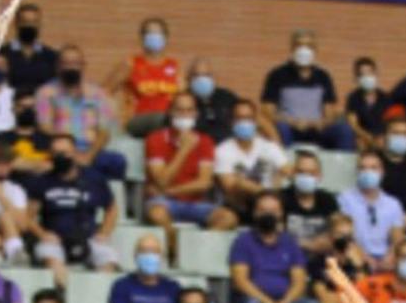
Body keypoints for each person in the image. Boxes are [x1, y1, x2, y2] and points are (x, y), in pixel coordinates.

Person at [144, 93, 236, 258]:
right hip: (164, 203)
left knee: (228, 218)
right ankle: (176, 251)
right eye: (180, 110)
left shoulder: (205, 141)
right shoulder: (155, 139)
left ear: (195, 114)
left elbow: (204, 183)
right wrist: (184, 149)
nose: (185, 115)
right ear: (171, 112)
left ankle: (195, 251)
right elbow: (162, 180)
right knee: (157, 214)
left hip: (195, 203)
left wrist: (168, 192)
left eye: (189, 110)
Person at [26, 133, 120, 287]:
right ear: (50, 155)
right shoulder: (41, 181)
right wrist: (42, 234)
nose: (61, 157)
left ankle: (97, 299)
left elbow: (111, 208)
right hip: (55, 239)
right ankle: (66, 295)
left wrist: (104, 232)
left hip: (88, 237)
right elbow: (28, 217)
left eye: (65, 152)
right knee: (51, 258)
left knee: (108, 258)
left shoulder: (94, 179)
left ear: (75, 152)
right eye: (56, 153)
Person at [227, 191, 322, 303]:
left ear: (281, 214)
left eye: (273, 211)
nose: (268, 214)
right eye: (263, 210)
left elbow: (299, 282)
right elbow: (240, 281)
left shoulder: (290, 243)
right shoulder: (243, 241)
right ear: (254, 213)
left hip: (286, 302)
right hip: (252, 299)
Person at [35, 44, 126, 181]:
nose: (71, 67)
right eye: (66, 63)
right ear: (58, 66)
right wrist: (69, 150)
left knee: (118, 162)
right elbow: (44, 126)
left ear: (83, 66)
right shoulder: (45, 93)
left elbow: (104, 130)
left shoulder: (98, 94)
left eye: (76, 63)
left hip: (91, 150)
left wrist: (89, 155)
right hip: (60, 151)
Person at [261, 29, 355, 150]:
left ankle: (343, 167)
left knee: (344, 130)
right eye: (299, 45)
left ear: (315, 50)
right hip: (290, 128)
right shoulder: (277, 75)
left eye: (309, 46)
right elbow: (267, 111)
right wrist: (292, 122)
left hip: (316, 129)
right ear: (292, 48)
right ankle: (285, 165)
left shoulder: (323, 76)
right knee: (281, 128)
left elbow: (330, 112)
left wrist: (322, 122)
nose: (304, 50)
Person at [214, 99, 290, 219]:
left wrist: (279, 178)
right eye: (240, 118)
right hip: (239, 205)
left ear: (255, 121)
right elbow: (229, 186)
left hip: (271, 205)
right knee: (240, 185)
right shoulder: (222, 150)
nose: (244, 122)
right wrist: (267, 193)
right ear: (232, 122)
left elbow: (289, 171)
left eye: (248, 118)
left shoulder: (269, 147)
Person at [106, 17, 181, 138]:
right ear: (141, 38)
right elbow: (104, 92)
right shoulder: (130, 64)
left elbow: (183, 96)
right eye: (149, 33)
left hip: (167, 121)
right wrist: (114, 116)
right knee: (162, 118)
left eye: (158, 33)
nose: (154, 36)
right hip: (137, 121)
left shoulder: (174, 66)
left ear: (166, 38)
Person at [337, 150, 405, 264]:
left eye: (374, 168)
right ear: (357, 172)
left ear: (382, 172)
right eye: (363, 168)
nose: (368, 172)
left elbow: (397, 240)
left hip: (386, 258)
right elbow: (346, 238)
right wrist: (366, 260)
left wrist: (388, 259)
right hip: (356, 256)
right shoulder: (344, 199)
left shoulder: (393, 204)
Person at [310, 213, 372, 303]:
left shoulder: (359, 262)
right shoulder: (319, 261)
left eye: (348, 235)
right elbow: (320, 291)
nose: (344, 239)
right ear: (330, 236)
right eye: (340, 234)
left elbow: (364, 292)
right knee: (329, 299)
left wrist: (358, 266)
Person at [281, 150, 339, 254]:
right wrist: (308, 244)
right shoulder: (281, 198)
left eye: (311, 173)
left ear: (319, 176)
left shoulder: (328, 200)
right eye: (301, 172)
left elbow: (337, 232)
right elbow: (276, 235)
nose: (306, 177)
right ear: (293, 174)